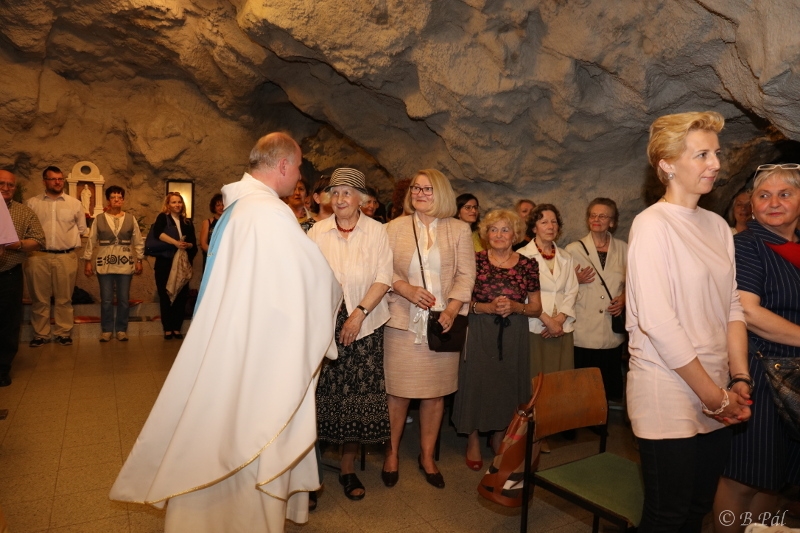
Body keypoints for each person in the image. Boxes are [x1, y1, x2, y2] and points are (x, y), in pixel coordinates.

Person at [109, 132, 342, 532]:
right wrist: (335, 291)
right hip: (256, 349)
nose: (298, 176)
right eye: (298, 166)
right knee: (248, 426)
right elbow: (313, 277)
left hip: (233, 336)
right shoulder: (268, 213)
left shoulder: (239, 208)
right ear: (283, 165)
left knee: (217, 422)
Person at [627, 111, 750, 532]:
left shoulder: (717, 226)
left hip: (717, 385)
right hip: (668, 387)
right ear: (667, 164)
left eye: (716, 153)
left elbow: (731, 306)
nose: (716, 164)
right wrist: (715, 397)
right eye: (702, 155)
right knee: (668, 516)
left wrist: (738, 378)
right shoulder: (651, 226)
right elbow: (658, 322)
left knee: (698, 509)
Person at [714, 164, 800, 532]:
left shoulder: (796, 246)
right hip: (759, 373)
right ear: (752, 204)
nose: (774, 202)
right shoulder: (747, 244)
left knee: (775, 477)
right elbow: (748, 312)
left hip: (794, 377)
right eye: (764, 195)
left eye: (785, 194)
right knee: (743, 477)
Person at [383, 169, 476, 489]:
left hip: (442, 325)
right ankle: (392, 454)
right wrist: (406, 289)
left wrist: (451, 309)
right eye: (416, 188)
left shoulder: (459, 229)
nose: (419, 194)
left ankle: (427, 457)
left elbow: (466, 276)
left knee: (435, 396)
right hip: (402, 322)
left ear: (441, 193)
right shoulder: (393, 228)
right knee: (397, 394)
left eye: (427, 189)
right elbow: (382, 271)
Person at [307, 168, 392, 501]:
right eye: (335, 192)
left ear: (362, 199)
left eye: (347, 192)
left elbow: (383, 277)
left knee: (356, 399)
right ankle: (309, 475)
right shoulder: (317, 232)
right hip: (324, 326)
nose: (340, 198)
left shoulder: (377, 231)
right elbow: (307, 278)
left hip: (365, 325)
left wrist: (358, 314)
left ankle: (347, 468)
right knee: (319, 398)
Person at [452, 209, 542, 470]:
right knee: (475, 383)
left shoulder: (528, 265)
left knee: (507, 384)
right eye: (493, 229)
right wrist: (487, 307)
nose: (499, 235)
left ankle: (499, 434)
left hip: (514, 332)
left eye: (505, 230)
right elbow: (460, 301)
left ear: (515, 235)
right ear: (485, 234)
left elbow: (536, 308)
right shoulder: (474, 261)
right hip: (479, 330)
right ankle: (472, 440)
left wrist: (516, 306)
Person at [565, 198, 627, 403]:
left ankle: (603, 418)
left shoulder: (624, 249)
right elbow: (561, 286)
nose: (596, 219)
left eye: (602, 216)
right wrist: (575, 279)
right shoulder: (573, 249)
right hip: (583, 327)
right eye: (593, 215)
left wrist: (624, 298)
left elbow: (635, 283)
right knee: (581, 385)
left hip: (610, 330)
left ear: (612, 222)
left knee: (606, 386)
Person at [26, 165, 88, 347]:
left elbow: (82, 229)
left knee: (64, 298)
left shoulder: (74, 204)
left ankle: (63, 333)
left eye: (60, 179)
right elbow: (26, 230)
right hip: (38, 257)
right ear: (44, 181)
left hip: (65, 257)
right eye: (53, 179)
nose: (57, 182)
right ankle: (41, 334)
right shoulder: (32, 204)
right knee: (39, 299)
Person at [517, 204, 578, 377]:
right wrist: (548, 321)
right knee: (535, 379)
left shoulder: (566, 256)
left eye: (554, 222)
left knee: (562, 379)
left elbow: (572, 291)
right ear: (534, 227)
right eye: (544, 222)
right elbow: (522, 296)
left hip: (562, 328)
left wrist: (559, 320)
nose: (550, 226)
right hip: (535, 327)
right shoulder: (521, 256)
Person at [0, 170, 45, 386]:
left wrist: (14, 244)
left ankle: (2, 368)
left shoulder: (24, 212)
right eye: (1, 183)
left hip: (9, 276)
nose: (6, 188)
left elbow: (38, 240)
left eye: (10, 185)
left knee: (8, 323)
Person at [83, 186, 144, 342]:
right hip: (105, 262)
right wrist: (88, 260)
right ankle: (107, 330)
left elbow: (138, 240)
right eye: (113, 197)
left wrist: (139, 259)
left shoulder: (130, 218)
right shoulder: (99, 219)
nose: (116, 200)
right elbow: (91, 240)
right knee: (106, 299)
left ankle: (122, 329)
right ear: (108, 200)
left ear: (123, 200)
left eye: (119, 197)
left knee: (123, 298)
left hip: (125, 262)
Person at [152, 192, 197, 339]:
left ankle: (177, 328)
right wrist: (175, 243)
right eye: (173, 202)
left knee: (181, 296)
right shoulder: (162, 218)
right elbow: (158, 233)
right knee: (165, 295)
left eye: (179, 202)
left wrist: (187, 245)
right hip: (165, 264)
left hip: (182, 265)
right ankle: (168, 328)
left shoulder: (187, 222)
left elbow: (194, 244)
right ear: (168, 204)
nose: (177, 205)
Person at [199, 193, 223, 268]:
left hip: (225, 257)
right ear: (214, 207)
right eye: (218, 205)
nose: (221, 207)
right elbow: (203, 244)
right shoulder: (207, 222)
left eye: (223, 205)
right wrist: (214, 254)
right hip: (210, 257)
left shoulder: (230, 222)